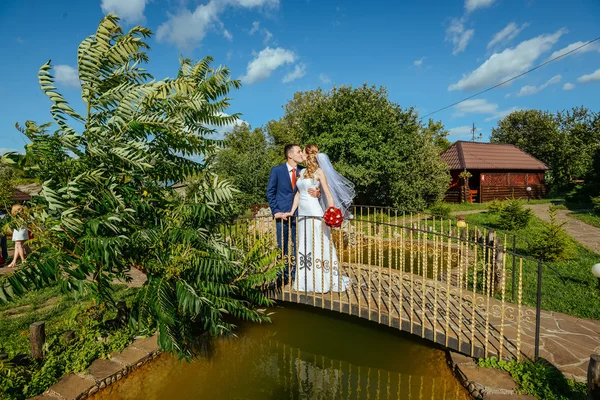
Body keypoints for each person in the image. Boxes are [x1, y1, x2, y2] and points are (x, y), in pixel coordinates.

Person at [287, 145, 355, 293]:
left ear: (307, 155)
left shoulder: (319, 172)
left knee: (319, 244)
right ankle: (305, 281)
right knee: (305, 245)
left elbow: (328, 195)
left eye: (302, 152)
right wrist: (292, 212)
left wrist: (331, 213)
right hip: (302, 215)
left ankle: (323, 281)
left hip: (314, 212)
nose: (301, 155)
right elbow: (298, 194)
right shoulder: (302, 172)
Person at [266, 144, 320, 286]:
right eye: (298, 151)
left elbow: (315, 185)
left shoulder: (304, 170)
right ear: (290, 155)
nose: (301, 153)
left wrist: (318, 192)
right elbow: (270, 193)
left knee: (299, 244)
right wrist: (276, 211)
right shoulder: (277, 171)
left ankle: (297, 274)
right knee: (281, 246)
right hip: (282, 214)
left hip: (300, 213)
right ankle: (281, 276)